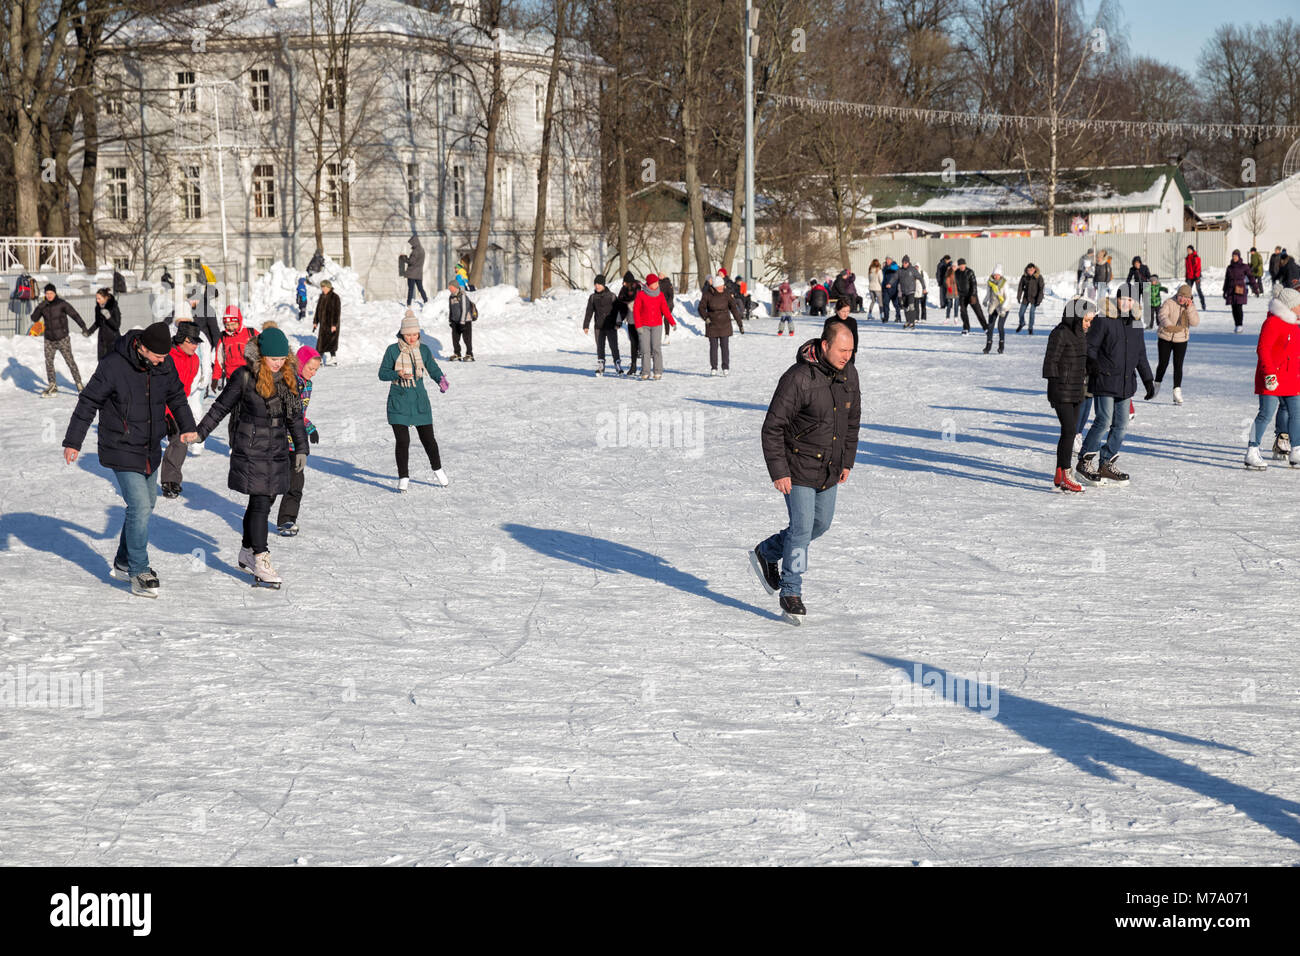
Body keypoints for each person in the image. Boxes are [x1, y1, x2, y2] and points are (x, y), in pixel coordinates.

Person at [62, 322, 198, 597]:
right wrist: (73, 441)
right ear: (143, 348)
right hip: (120, 444)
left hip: (149, 445)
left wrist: (187, 426)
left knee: (147, 504)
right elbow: (88, 401)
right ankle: (139, 570)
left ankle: (123, 562)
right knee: (138, 505)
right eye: (158, 356)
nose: (163, 360)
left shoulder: (163, 363)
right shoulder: (114, 365)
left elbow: (176, 396)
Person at [751, 320, 860, 622]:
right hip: (797, 466)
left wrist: (846, 461)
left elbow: (852, 421)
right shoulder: (798, 378)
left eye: (850, 351)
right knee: (800, 529)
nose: (846, 357)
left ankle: (768, 551)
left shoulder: (849, 374)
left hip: (829, 468)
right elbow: (772, 427)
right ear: (825, 345)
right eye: (841, 350)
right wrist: (778, 471)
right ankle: (791, 591)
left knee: (820, 525)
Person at [195, 326, 308, 587]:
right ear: (261, 356)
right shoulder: (244, 377)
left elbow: (294, 416)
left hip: (278, 450)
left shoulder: (288, 378)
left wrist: (301, 448)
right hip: (252, 449)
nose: (278, 364)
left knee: (265, 501)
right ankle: (261, 556)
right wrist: (201, 433)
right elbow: (221, 406)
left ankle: (247, 548)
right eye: (273, 359)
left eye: (282, 359)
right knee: (259, 502)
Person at [1075, 282, 1156, 486]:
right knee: (1103, 420)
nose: (1126, 303)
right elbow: (1090, 346)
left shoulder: (1136, 324)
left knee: (1121, 425)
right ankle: (1085, 462)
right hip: (1104, 378)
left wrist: (1148, 380)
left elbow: (1140, 355)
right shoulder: (1104, 320)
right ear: (1116, 299)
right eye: (1123, 298)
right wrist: (1092, 365)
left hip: (1126, 383)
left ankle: (1106, 462)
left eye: (1130, 299)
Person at [379, 311, 449, 491]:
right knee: (403, 441)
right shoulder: (392, 350)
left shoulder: (423, 350)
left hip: (419, 401)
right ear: (402, 333)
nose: (411, 338)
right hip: (399, 401)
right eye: (408, 334)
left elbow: (432, 368)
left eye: (415, 334)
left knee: (429, 440)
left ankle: (438, 469)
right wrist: (397, 373)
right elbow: (382, 373)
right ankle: (403, 476)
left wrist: (440, 379)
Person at [1043, 297, 1096, 493]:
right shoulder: (1060, 333)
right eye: (1086, 321)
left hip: (1076, 390)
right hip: (1061, 391)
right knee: (1069, 431)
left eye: (1090, 321)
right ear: (1076, 317)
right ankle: (1065, 474)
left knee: (1071, 432)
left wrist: (1092, 366)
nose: (1089, 325)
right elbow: (1050, 364)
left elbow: (1080, 360)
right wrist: (1056, 388)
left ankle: (1060, 473)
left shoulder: (1080, 334)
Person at [1244, 288, 1300, 470]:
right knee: (1265, 414)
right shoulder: (1272, 323)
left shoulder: (1294, 325)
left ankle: (1296, 450)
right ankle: (1252, 451)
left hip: (1291, 378)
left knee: (1297, 414)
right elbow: (1263, 349)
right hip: (1272, 378)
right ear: (1291, 306)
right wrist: (1269, 374)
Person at [277, 346, 321, 535]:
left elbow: (300, 413)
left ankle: (287, 520)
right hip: (278, 440)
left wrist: (310, 428)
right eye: (310, 368)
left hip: (297, 443)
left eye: (316, 370)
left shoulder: (308, 385)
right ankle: (258, 517)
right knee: (273, 483)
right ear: (301, 364)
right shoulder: (288, 381)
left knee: (296, 482)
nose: (313, 373)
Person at [159, 320, 203, 498]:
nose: (195, 345)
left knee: (180, 441)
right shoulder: (166, 356)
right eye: (191, 341)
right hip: (158, 407)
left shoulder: (195, 360)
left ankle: (171, 482)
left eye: (196, 342)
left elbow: (187, 385)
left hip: (177, 409)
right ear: (181, 340)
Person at [1154, 284, 1199, 406]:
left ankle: (1176, 391)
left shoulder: (1190, 307)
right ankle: (1156, 384)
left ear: (1189, 298)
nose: (1181, 299)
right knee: (1163, 363)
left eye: (1184, 297)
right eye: (1180, 296)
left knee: (1178, 365)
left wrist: (1189, 308)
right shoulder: (1169, 302)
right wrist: (1169, 326)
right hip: (1165, 337)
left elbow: (1195, 322)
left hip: (1181, 340)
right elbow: (1162, 315)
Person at [633, 273, 677, 381]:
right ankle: (645, 372)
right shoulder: (641, 295)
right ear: (649, 284)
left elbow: (665, 310)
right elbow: (636, 310)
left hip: (657, 325)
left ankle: (657, 372)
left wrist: (672, 322)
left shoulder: (660, 295)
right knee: (645, 349)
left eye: (657, 282)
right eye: (655, 283)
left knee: (656, 348)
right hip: (644, 326)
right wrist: (638, 325)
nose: (657, 284)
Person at [700, 274, 744, 376]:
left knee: (725, 347)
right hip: (712, 324)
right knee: (713, 347)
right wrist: (706, 317)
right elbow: (701, 308)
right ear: (715, 287)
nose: (721, 288)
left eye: (722, 286)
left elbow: (733, 308)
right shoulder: (707, 294)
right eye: (719, 286)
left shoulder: (726, 294)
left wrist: (740, 323)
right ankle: (714, 367)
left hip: (725, 324)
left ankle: (725, 367)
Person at [582, 273, 621, 375]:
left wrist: (618, 323)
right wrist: (586, 325)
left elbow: (618, 311)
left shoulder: (612, 296)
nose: (597, 286)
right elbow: (589, 312)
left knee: (614, 346)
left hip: (611, 326)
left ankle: (617, 364)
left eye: (599, 284)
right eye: (595, 284)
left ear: (604, 285)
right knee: (600, 346)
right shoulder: (593, 297)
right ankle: (601, 366)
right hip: (599, 327)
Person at [213, 305, 256, 389]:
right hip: (231, 378)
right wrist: (215, 378)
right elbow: (219, 360)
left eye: (233, 324)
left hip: (250, 376)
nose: (230, 328)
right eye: (227, 325)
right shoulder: (223, 337)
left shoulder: (250, 333)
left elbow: (264, 349)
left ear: (239, 321)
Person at [86, 287, 122, 361]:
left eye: (99, 298)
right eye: (96, 298)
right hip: (102, 340)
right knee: (101, 363)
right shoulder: (98, 308)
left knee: (113, 363)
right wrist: (89, 332)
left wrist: (108, 317)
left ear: (105, 298)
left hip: (113, 340)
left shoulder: (114, 307)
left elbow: (116, 325)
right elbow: (98, 322)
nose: (97, 300)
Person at [616, 271, 641, 375]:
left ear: (630, 282)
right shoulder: (623, 291)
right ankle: (633, 366)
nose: (623, 284)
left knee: (643, 344)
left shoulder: (638, 288)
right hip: (631, 320)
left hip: (641, 319)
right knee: (633, 343)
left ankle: (645, 367)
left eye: (625, 282)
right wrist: (619, 320)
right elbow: (620, 304)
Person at [446, 280, 478, 361]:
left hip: (465, 321)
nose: (449, 288)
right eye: (449, 287)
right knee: (455, 339)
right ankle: (457, 354)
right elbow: (451, 309)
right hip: (455, 321)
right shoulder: (451, 297)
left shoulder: (462, 295)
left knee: (467, 338)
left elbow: (465, 309)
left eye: (451, 287)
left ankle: (469, 354)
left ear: (455, 287)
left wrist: (462, 322)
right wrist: (450, 320)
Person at [952, 259, 985, 335]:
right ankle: (966, 328)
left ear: (965, 265)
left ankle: (986, 327)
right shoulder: (956, 273)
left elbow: (974, 284)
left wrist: (973, 295)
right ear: (958, 266)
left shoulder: (970, 272)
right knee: (963, 312)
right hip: (963, 296)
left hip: (971, 295)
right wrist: (959, 293)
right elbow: (957, 284)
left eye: (963, 265)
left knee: (978, 312)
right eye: (960, 265)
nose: (962, 266)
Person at [982, 264, 1009, 353]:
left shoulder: (1004, 283)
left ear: (1000, 275)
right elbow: (988, 294)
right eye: (994, 274)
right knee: (990, 326)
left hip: (1003, 306)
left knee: (1000, 326)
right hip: (993, 305)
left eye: (997, 274)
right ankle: (988, 346)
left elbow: (1008, 297)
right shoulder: (990, 282)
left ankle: (1001, 346)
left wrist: (1004, 307)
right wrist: (985, 300)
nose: (996, 276)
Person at [313, 278, 341, 364]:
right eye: (322, 287)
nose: (323, 289)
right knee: (321, 342)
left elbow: (337, 312)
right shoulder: (321, 297)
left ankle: (333, 358)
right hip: (323, 324)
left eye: (324, 287)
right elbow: (318, 310)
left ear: (329, 287)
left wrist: (334, 325)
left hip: (331, 324)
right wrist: (315, 322)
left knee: (331, 341)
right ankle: (320, 359)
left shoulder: (335, 297)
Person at [822, 299, 858, 365]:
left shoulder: (852, 322)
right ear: (837, 310)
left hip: (848, 353)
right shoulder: (830, 321)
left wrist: (854, 351)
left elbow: (855, 337)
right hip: (833, 353)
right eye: (843, 311)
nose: (846, 314)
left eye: (848, 311)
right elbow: (825, 338)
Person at [1224, 249, 1252, 333]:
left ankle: (1240, 324)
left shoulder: (1244, 266)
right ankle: (1236, 324)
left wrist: (1255, 287)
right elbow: (1226, 279)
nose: (1234, 257)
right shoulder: (1229, 267)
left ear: (1239, 256)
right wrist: (1224, 290)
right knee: (1233, 308)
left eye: (1236, 256)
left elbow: (1251, 277)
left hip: (1239, 289)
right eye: (1233, 256)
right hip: (1231, 289)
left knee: (1239, 307)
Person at [1017, 263, 1045, 334]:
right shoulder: (1024, 277)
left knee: (1031, 313)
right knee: (1021, 313)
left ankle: (1030, 328)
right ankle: (1022, 323)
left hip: (1035, 298)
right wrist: (1018, 297)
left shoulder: (1038, 277)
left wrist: (1039, 300)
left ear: (1034, 270)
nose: (1030, 272)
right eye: (1028, 270)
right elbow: (1020, 287)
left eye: (1031, 270)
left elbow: (1041, 289)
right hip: (1026, 298)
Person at [897, 256, 924, 329]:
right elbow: (895, 278)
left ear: (908, 263)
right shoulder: (900, 270)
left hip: (911, 291)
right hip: (904, 291)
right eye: (903, 262)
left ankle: (912, 322)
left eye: (905, 262)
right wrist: (890, 283)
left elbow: (920, 278)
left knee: (911, 306)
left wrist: (924, 287)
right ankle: (908, 321)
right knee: (905, 307)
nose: (904, 264)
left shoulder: (913, 270)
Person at [1127, 256, 1152, 325]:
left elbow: (1149, 276)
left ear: (1140, 263)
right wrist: (1127, 284)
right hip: (1137, 286)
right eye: (1135, 264)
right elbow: (1129, 278)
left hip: (1145, 286)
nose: (1136, 265)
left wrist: (1148, 280)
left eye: (1138, 263)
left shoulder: (1145, 267)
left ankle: (1148, 320)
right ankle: (1137, 318)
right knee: (1136, 304)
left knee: (1146, 304)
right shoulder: (1132, 269)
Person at [405, 235, 428, 307]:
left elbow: (411, 261)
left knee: (411, 289)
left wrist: (404, 258)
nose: (411, 245)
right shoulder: (422, 250)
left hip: (412, 273)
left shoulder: (415, 251)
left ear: (414, 242)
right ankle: (426, 301)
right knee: (420, 288)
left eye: (411, 243)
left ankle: (408, 304)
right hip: (419, 273)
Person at [1184, 245, 1206, 310]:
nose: (1188, 251)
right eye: (1187, 250)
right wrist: (1186, 276)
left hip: (1196, 276)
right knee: (1188, 291)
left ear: (1192, 250)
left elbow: (1198, 267)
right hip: (1189, 277)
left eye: (1189, 250)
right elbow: (1187, 268)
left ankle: (1203, 303)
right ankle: (1191, 304)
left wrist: (1197, 276)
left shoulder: (1196, 257)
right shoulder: (1187, 258)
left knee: (1198, 289)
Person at [880, 256, 901, 322]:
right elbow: (883, 278)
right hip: (885, 289)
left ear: (891, 260)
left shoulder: (895, 265)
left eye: (888, 260)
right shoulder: (885, 267)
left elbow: (895, 268)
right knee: (885, 304)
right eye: (886, 260)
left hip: (893, 289)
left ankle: (898, 317)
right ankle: (886, 318)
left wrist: (886, 266)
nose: (887, 261)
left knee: (896, 304)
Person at [660, 274, 676, 344]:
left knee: (666, 319)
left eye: (661, 274)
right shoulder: (657, 283)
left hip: (668, 305)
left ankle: (667, 336)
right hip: (659, 305)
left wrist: (667, 304)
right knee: (658, 320)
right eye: (659, 274)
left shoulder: (668, 283)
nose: (659, 275)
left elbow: (671, 296)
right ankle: (657, 336)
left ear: (664, 275)